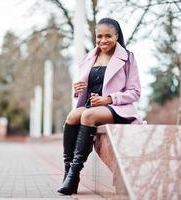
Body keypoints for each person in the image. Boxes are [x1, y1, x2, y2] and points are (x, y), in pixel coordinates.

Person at [57, 18, 143, 195]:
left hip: (117, 109)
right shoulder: (89, 57)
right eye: (99, 37)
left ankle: (74, 174)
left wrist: (109, 99)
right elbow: (83, 89)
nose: (103, 40)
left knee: (87, 116)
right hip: (91, 106)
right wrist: (77, 90)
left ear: (116, 36)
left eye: (108, 36)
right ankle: (68, 173)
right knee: (73, 116)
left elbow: (135, 92)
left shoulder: (128, 58)